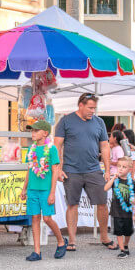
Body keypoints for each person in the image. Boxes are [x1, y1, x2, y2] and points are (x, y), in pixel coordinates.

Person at [54, 93, 111, 252]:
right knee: (72, 205)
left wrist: (107, 170)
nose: (93, 111)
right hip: (71, 171)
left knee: (102, 204)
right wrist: (58, 168)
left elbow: (105, 147)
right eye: (90, 107)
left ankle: (105, 237)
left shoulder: (99, 122)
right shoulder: (66, 121)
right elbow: (56, 146)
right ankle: (72, 240)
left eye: (94, 108)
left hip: (94, 170)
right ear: (80, 105)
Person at [19, 121, 67, 261]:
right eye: (32, 131)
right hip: (32, 189)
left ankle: (61, 241)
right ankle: (37, 251)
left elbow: (55, 170)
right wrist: (24, 188)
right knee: (34, 218)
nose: (33, 133)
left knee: (47, 218)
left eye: (36, 131)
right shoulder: (31, 149)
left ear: (45, 133)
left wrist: (52, 192)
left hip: (46, 189)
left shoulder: (51, 149)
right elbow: (29, 169)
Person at [104, 157, 135, 259]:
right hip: (116, 211)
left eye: (124, 167)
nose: (121, 169)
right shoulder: (115, 180)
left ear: (129, 169)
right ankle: (122, 250)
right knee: (118, 231)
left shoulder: (132, 182)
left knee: (128, 231)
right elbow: (105, 188)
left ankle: (126, 245)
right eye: (119, 166)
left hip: (127, 211)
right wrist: (113, 178)